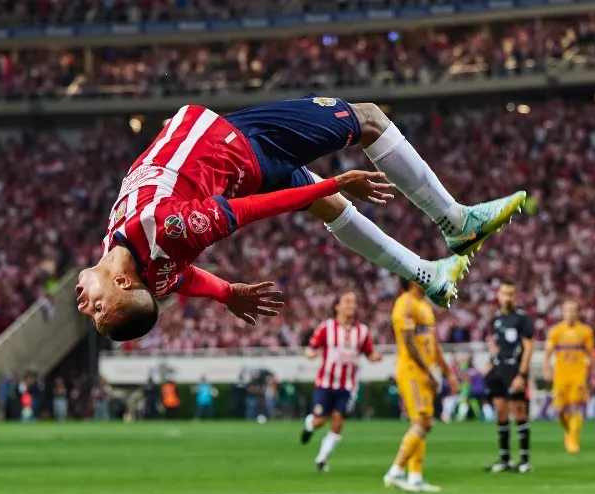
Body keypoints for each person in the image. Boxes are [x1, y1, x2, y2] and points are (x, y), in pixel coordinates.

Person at [75, 97, 526, 340]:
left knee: (326, 211)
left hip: (235, 158)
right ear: (122, 286)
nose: (84, 306)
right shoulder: (165, 231)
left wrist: (226, 293)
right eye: (99, 309)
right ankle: (455, 221)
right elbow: (248, 211)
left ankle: (425, 274)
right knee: (367, 118)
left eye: (93, 313)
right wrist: (332, 182)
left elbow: (182, 280)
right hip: (243, 146)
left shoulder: (144, 269)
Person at [383, 279, 457, 493]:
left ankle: (415, 477)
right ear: (412, 279)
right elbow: (408, 343)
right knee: (423, 422)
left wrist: (447, 372)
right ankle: (395, 472)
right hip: (412, 371)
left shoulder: (424, 306)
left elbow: (433, 344)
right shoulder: (404, 303)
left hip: (424, 372)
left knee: (423, 422)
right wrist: (429, 371)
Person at [300, 290, 382, 472]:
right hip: (326, 383)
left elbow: (369, 353)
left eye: (353, 302)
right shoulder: (326, 327)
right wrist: (310, 354)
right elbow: (310, 348)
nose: (351, 305)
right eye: (347, 301)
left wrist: (376, 357)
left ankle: (321, 459)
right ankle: (309, 425)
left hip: (347, 386)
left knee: (337, 421)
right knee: (320, 421)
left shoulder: (362, 331)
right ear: (337, 306)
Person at [485, 281, 535, 473]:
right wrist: (489, 364)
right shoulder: (496, 319)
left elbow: (528, 347)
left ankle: (524, 460)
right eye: (504, 293)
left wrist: (522, 374)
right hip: (498, 369)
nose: (507, 297)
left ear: (515, 297)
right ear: (498, 295)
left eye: (511, 294)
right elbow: (494, 344)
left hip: (515, 370)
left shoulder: (522, 319)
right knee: (501, 412)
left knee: (519, 412)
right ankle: (504, 459)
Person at [543, 300, 595, 454]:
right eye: (567, 310)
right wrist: (547, 369)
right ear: (562, 312)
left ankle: (573, 440)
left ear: (578, 313)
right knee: (559, 410)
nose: (570, 313)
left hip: (578, 375)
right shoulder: (555, 331)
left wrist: (593, 376)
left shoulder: (586, 331)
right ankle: (569, 431)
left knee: (576, 408)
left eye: (573, 310)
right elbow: (548, 353)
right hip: (561, 376)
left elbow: (591, 355)